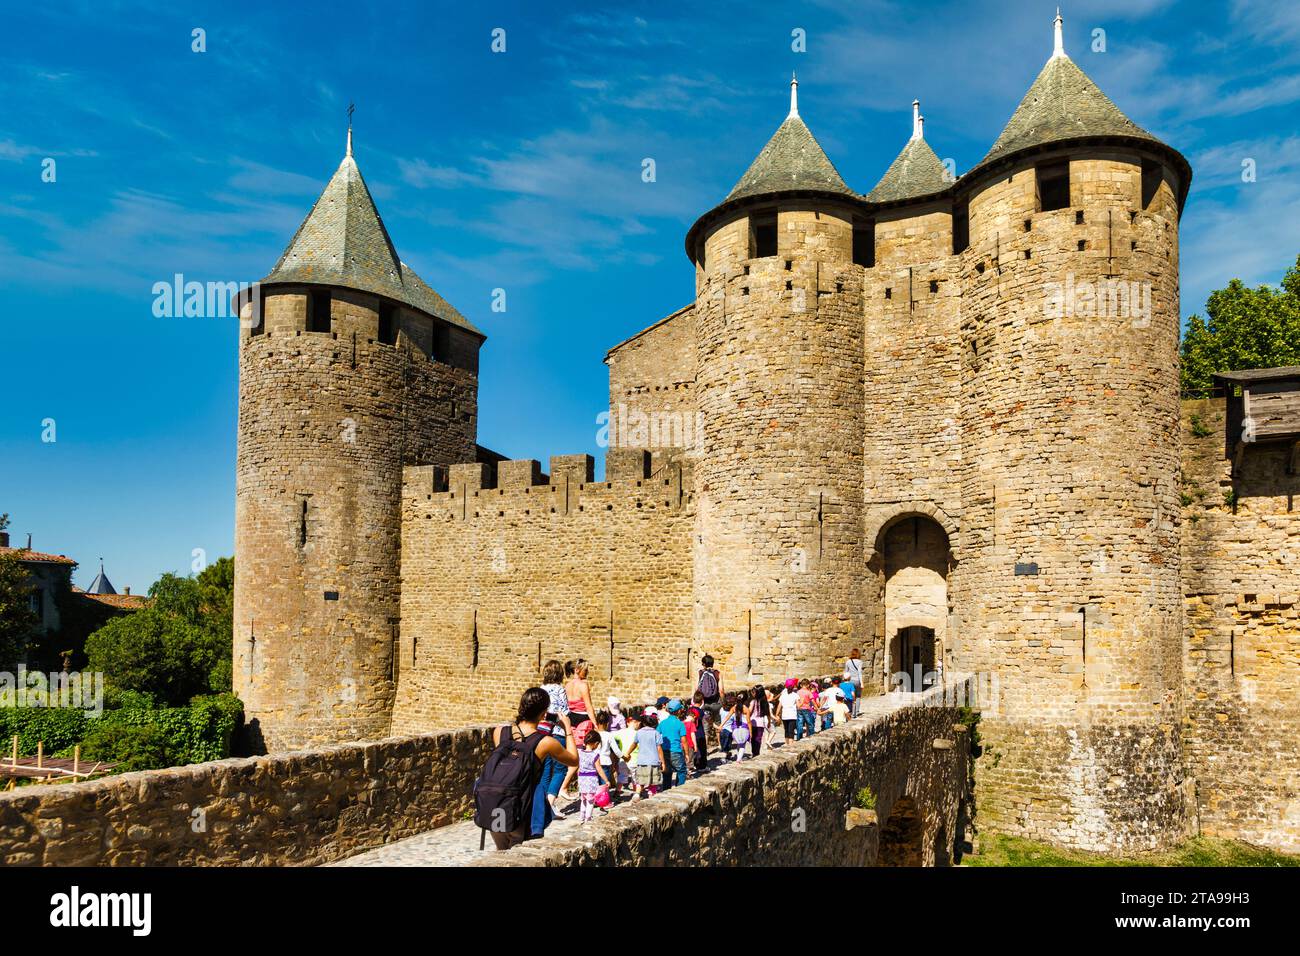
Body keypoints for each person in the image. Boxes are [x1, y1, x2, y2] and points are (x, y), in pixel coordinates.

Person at [488, 687, 578, 850]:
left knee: (500, 856)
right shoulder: (545, 742)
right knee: (520, 858)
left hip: (497, 807)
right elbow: (573, 760)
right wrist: (568, 729)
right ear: (544, 714)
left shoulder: (499, 732)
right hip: (522, 810)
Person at [576, 729, 609, 823]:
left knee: (583, 799)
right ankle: (588, 817)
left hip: (582, 778)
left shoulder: (580, 753)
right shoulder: (595, 755)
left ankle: (581, 816)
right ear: (596, 743)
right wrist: (606, 780)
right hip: (591, 779)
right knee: (591, 801)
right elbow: (599, 769)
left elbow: (578, 767)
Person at [631, 711, 665, 798]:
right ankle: (651, 795)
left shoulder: (639, 732)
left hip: (642, 761)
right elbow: (659, 748)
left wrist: (628, 753)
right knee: (653, 781)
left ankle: (637, 794)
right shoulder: (656, 733)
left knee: (641, 780)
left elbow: (634, 744)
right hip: (654, 761)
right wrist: (663, 762)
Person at [658, 699, 690, 787]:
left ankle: (666, 790)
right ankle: (679, 788)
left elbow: (656, 736)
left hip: (664, 751)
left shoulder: (662, 723)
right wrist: (687, 754)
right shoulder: (680, 724)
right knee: (682, 771)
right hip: (676, 751)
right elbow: (684, 740)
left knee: (667, 773)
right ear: (679, 711)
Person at [697, 654, 724, 736]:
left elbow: (696, 690)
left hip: (704, 703)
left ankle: (705, 747)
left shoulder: (700, 673)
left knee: (705, 726)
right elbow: (721, 690)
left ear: (704, 664)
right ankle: (720, 745)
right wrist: (723, 702)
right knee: (718, 723)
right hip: (716, 703)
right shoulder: (717, 673)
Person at [565, 660, 595, 729]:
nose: (587, 672)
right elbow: (588, 707)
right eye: (585, 670)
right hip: (583, 720)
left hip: (570, 718)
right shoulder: (583, 685)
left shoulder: (567, 685)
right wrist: (595, 723)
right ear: (577, 670)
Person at [748, 683, 770, 756]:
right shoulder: (765, 702)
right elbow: (768, 713)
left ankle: (754, 752)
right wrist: (769, 722)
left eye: (754, 692)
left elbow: (749, 712)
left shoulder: (753, 702)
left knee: (753, 739)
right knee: (758, 739)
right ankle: (756, 753)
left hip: (752, 722)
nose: (752, 693)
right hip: (761, 723)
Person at [844, 648, 864, 717]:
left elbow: (846, 672)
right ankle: (857, 711)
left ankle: (851, 711)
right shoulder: (860, 662)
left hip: (850, 681)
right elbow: (859, 672)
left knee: (851, 696)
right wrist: (862, 683)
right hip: (857, 681)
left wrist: (844, 681)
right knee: (858, 696)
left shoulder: (848, 662)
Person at [778, 679, 799, 744]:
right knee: (791, 730)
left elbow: (779, 706)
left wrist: (777, 714)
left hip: (785, 715)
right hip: (792, 715)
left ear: (786, 686)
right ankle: (790, 744)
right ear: (793, 687)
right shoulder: (795, 695)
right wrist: (803, 702)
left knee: (786, 730)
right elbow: (798, 706)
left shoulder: (783, 695)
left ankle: (786, 743)